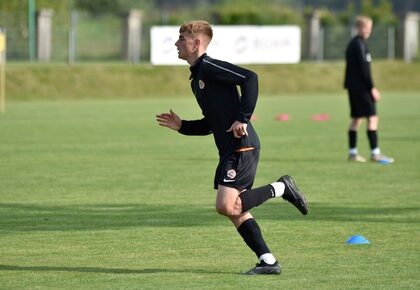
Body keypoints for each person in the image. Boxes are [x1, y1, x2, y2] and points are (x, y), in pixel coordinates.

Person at [156, 20, 308, 275]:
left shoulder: (210, 66)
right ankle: (268, 261)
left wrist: (243, 117)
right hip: (229, 149)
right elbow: (211, 123)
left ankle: (282, 187)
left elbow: (250, 78)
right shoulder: (196, 79)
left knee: (227, 205)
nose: (176, 43)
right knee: (235, 209)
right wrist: (182, 126)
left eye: (181, 39)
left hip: (242, 147)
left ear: (196, 44)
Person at [344, 16, 394, 163]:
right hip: (361, 88)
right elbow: (364, 70)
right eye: (366, 28)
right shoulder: (359, 45)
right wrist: (372, 88)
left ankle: (352, 153)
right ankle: (375, 153)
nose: (368, 31)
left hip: (353, 87)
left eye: (370, 28)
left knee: (357, 119)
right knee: (372, 118)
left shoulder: (354, 44)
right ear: (359, 28)